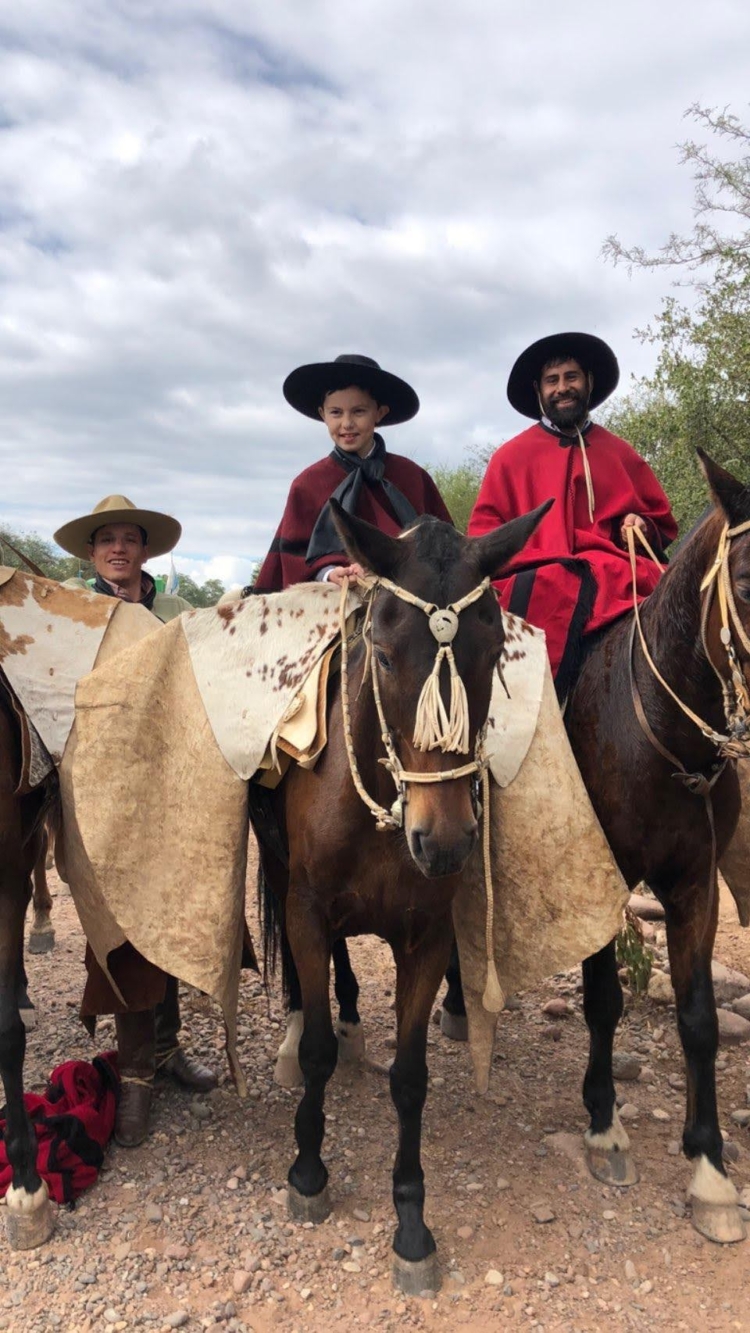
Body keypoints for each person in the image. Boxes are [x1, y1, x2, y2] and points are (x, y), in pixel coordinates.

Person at [54, 495, 218, 1146]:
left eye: (129, 539)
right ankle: (137, 1075)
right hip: (98, 791)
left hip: (170, 788)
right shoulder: (74, 615)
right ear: (93, 555)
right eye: (106, 541)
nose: (118, 549)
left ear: (145, 551)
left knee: (171, 916)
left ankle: (169, 1050)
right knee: (120, 928)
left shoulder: (175, 613)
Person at [468, 332, 678, 699]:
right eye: (553, 380)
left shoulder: (620, 453)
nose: (563, 388)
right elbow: (483, 536)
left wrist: (640, 524)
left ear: (588, 382)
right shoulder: (509, 458)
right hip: (533, 573)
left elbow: (658, 521)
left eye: (571, 377)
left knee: (682, 602)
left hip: (615, 569)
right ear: (539, 390)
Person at [254, 353, 452, 592]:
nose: (347, 423)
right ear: (322, 415)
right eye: (336, 412)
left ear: (379, 413)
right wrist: (329, 573)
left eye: (358, 412)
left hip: (410, 600)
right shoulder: (307, 483)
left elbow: (445, 545)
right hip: (329, 604)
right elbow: (292, 557)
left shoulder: (412, 477)